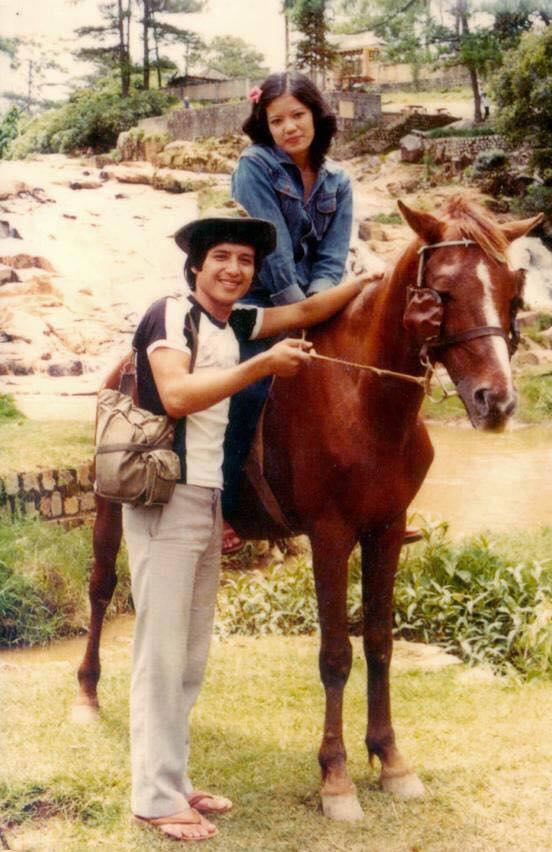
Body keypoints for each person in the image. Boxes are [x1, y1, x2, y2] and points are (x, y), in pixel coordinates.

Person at [125, 214, 379, 842]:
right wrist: (263, 366)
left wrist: (372, 280)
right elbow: (177, 396)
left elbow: (307, 311)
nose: (234, 269)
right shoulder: (171, 315)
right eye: (221, 257)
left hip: (207, 499)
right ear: (196, 265)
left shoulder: (235, 322)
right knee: (161, 653)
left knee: (189, 656)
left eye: (244, 260)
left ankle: (173, 780)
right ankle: (153, 798)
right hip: (165, 497)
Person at [223, 69, 421, 552]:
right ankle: (223, 507)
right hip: (262, 298)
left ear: (316, 115)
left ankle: (386, 501)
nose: (289, 128)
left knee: (383, 378)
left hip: (322, 297)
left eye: (297, 115)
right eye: (276, 121)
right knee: (246, 390)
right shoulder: (254, 167)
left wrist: (323, 305)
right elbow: (272, 250)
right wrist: (304, 311)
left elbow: (333, 256)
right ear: (264, 126)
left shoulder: (339, 180)